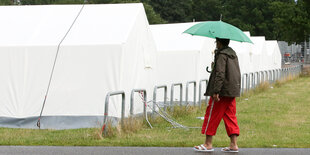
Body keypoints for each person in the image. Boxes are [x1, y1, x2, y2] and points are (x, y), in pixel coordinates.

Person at [194, 38, 241, 153]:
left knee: (211, 115)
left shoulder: (222, 55)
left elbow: (220, 74)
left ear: (219, 43)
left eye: (216, 42)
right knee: (230, 116)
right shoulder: (232, 54)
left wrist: (216, 91)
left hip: (222, 91)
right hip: (231, 90)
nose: (216, 44)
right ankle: (233, 144)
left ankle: (208, 143)